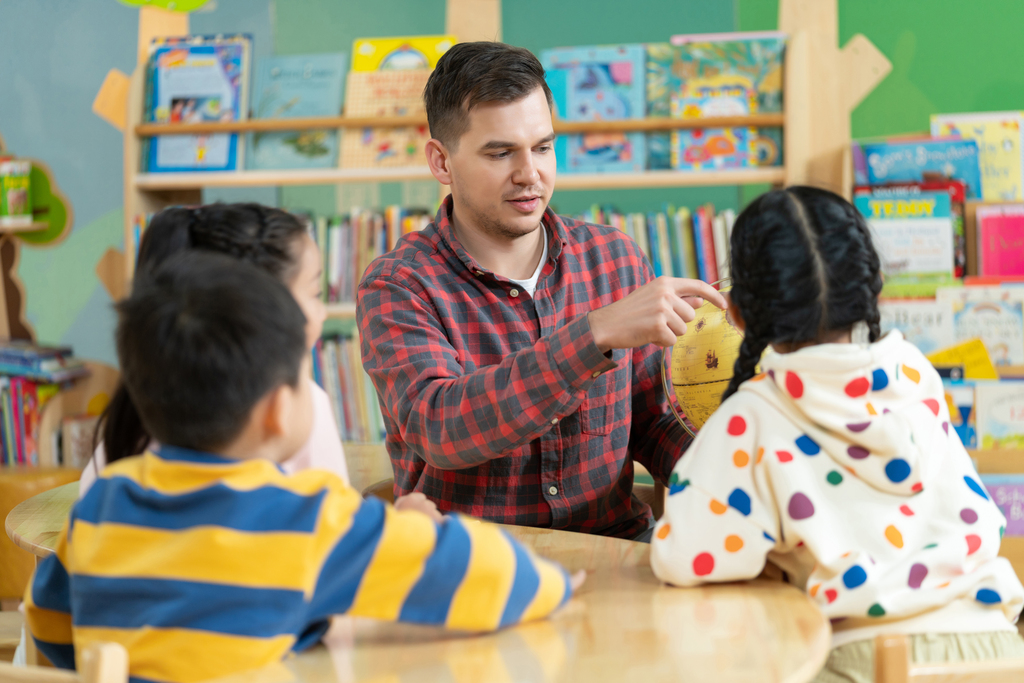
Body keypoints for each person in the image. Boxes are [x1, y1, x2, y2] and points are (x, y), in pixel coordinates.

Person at [25, 251, 582, 683]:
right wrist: (552, 584)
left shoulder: (102, 506)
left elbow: (50, 622)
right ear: (275, 410)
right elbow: (471, 570)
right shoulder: (307, 518)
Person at [650, 186, 1024, 681]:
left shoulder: (752, 415)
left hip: (863, 659)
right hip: (998, 646)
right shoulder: (916, 374)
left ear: (735, 315)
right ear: (871, 289)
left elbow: (685, 559)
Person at [357, 41, 726, 541]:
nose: (530, 174)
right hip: (472, 568)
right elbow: (439, 429)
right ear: (441, 162)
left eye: (543, 147)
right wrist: (593, 335)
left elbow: (653, 421)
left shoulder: (613, 257)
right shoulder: (398, 284)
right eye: (500, 152)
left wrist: (740, 480)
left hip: (615, 549)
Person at [80, 204, 351, 493]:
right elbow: (345, 526)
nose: (322, 312)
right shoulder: (302, 408)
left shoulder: (141, 413)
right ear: (265, 305)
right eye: (315, 293)